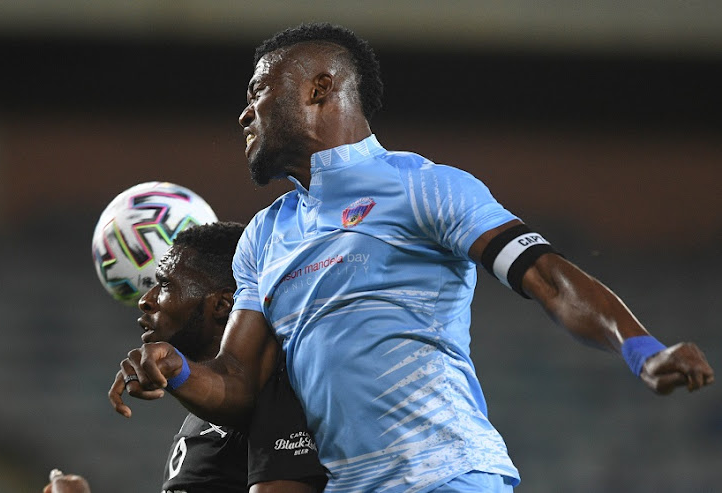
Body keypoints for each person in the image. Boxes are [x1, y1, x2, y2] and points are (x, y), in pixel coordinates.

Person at [109, 23, 714, 492]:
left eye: (258, 92)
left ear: (319, 87)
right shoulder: (266, 234)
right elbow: (239, 381)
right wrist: (179, 370)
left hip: (445, 472)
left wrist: (643, 352)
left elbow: (550, 279)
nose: (244, 113)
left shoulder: (422, 186)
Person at [49, 222, 326, 493]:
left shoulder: (280, 391)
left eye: (165, 284)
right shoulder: (203, 411)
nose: (146, 300)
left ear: (221, 305)